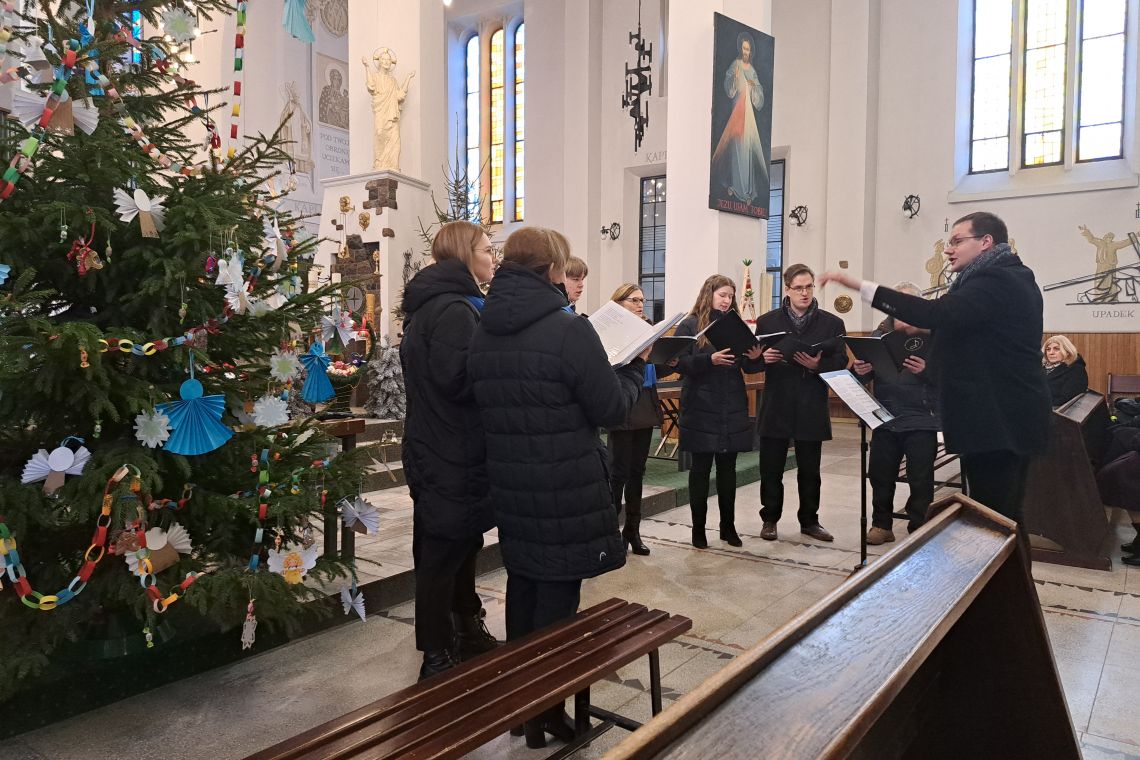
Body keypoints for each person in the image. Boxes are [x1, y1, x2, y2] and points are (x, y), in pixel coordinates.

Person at [467, 226, 644, 749]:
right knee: (558, 606)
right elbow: (611, 408)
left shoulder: (484, 327)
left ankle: (526, 711)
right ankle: (548, 709)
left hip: (513, 481)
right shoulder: (567, 330)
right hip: (564, 485)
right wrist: (632, 369)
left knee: (523, 588)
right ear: (551, 271)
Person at [820, 211, 1052, 526]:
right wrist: (926, 332)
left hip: (998, 419)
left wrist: (859, 286)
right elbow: (977, 327)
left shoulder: (996, 278)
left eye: (957, 241)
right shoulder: (1007, 275)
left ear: (985, 242)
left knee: (996, 520)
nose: (948, 250)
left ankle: (1005, 576)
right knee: (1002, 518)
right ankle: (1009, 575)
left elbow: (936, 312)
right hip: (1003, 417)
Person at [399, 221, 499, 681]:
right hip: (449, 451)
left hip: (443, 445)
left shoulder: (438, 305)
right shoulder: (455, 310)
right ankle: (437, 653)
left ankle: (464, 628)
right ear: (463, 255)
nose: (492, 256)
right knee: (440, 556)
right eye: (486, 248)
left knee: (460, 545)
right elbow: (456, 380)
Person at [753, 264, 847, 542]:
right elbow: (753, 357)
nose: (804, 293)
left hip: (810, 401)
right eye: (798, 288)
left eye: (808, 287)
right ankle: (770, 518)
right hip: (777, 400)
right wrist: (763, 359)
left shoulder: (831, 323)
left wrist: (819, 364)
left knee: (810, 469)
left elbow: (841, 360)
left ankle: (809, 520)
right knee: (771, 467)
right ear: (787, 289)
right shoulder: (767, 321)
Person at [674, 275, 764, 548]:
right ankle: (698, 531)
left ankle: (728, 528)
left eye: (730, 296)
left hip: (732, 403)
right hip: (701, 405)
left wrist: (755, 357)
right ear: (709, 294)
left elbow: (747, 368)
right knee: (700, 470)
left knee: (728, 470)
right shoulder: (690, 325)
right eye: (723, 294)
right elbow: (678, 362)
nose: (727, 300)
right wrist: (708, 359)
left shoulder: (734, 325)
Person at [851, 282, 941, 544]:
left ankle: (919, 524)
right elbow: (862, 373)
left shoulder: (934, 335)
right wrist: (860, 369)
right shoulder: (879, 334)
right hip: (885, 416)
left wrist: (926, 370)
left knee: (920, 475)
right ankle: (882, 525)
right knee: (880, 474)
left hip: (922, 416)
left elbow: (951, 375)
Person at [606, 283, 663, 556]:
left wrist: (668, 360)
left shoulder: (649, 329)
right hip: (621, 403)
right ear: (619, 303)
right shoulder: (610, 331)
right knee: (618, 474)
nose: (641, 305)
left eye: (642, 300)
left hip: (643, 403)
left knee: (637, 473)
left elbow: (654, 367)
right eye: (634, 300)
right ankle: (610, 533)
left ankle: (633, 530)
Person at [711, 32, 768, 205]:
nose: (745, 52)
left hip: (748, 115)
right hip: (737, 112)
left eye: (748, 49)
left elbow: (759, 93)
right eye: (743, 48)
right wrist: (735, 78)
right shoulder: (735, 65)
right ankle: (735, 186)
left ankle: (748, 191)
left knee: (747, 150)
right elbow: (729, 88)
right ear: (740, 49)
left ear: (751, 51)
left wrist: (754, 87)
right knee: (736, 149)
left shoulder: (752, 70)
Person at [362, 47, 415, 171]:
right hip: (381, 111)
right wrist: (367, 67)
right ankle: (379, 163)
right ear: (379, 61)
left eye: (389, 60)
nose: (386, 62)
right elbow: (370, 87)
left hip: (392, 114)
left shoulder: (393, 80)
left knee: (395, 141)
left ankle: (394, 166)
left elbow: (399, 96)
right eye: (384, 59)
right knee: (380, 135)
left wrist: (408, 78)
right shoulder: (375, 76)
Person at [1042, 335, 1089, 408]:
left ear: (1067, 351)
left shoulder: (1076, 370)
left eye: (1056, 349)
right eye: (1048, 349)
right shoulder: (1040, 368)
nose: (1051, 353)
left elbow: (1067, 399)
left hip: (1058, 412)